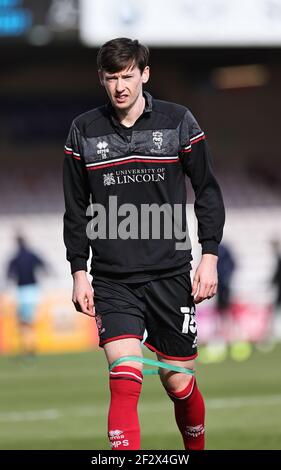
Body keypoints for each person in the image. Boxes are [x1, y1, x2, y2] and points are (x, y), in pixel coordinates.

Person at [63, 38, 225, 450]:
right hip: (113, 280)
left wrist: (209, 256)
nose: (120, 86)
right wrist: (79, 272)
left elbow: (206, 191)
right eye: (112, 77)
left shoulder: (178, 121)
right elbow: (75, 208)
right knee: (124, 376)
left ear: (144, 74)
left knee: (180, 382)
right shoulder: (84, 130)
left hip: (171, 274)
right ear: (101, 78)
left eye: (128, 76)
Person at [6, 235, 47, 356]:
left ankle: (27, 348)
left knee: (23, 323)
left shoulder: (15, 258)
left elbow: (9, 274)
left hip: (23, 291)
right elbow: (43, 265)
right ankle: (31, 345)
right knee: (30, 322)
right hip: (33, 291)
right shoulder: (32, 255)